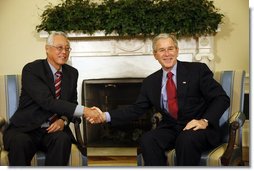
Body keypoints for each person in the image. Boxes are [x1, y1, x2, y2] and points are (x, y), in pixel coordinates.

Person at [88, 33, 230, 166]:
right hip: (171, 129)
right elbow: (136, 109)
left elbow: (221, 98)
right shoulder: (151, 82)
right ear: (155, 55)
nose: (167, 54)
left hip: (198, 129)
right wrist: (104, 116)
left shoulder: (197, 71)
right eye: (162, 50)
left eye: (170, 49)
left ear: (177, 50)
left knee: (186, 139)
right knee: (148, 140)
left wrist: (204, 121)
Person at [3, 31, 102, 166]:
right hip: (26, 128)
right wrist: (85, 111)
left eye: (67, 48)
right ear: (47, 49)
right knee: (20, 142)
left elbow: (72, 102)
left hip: (53, 130)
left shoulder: (72, 73)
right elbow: (47, 102)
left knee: (62, 139)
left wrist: (63, 120)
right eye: (59, 48)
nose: (64, 52)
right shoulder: (32, 70)